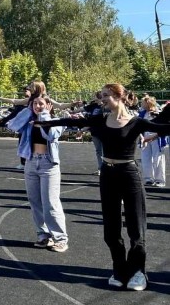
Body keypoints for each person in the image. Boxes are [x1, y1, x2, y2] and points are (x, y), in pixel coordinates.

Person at [33, 83, 170, 291]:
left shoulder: (136, 122)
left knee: (136, 225)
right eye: (101, 96)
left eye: (106, 95)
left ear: (119, 96)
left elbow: (163, 128)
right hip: (108, 174)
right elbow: (71, 121)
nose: (102, 99)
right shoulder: (100, 119)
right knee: (111, 227)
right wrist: (47, 123)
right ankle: (119, 269)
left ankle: (138, 272)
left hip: (129, 174)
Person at [20, 96, 68, 252]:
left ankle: (60, 238)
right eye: (34, 104)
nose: (37, 106)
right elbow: (12, 125)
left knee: (51, 203)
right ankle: (43, 235)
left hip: (49, 164)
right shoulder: (29, 122)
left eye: (41, 103)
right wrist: (29, 113)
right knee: (35, 201)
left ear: (49, 105)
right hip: (31, 162)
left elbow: (51, 135)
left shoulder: (57, 121)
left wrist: (44, 117)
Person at [139, 96, 166, 188]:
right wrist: (141, 136)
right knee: (145, 158)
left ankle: (159, 180)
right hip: (145, 136)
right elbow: (138, 126)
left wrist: (156, 114)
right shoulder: (142, 113)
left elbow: (164, 126)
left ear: (148, 103)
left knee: (157, 159)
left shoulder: (159, 112)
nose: (141, 104)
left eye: (143, 102)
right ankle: (148, 178)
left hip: (156, 137)